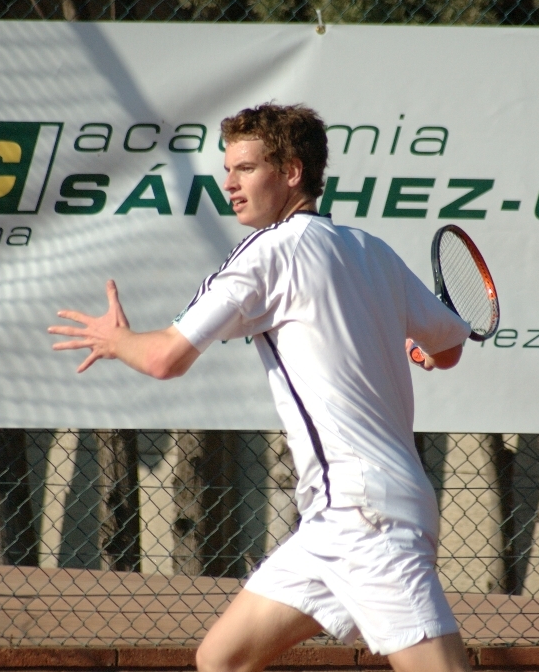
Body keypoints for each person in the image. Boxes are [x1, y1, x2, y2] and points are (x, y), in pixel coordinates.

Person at [49, 104, 473, 672]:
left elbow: (165, 359)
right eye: (229, 170)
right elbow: (448, 346)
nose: (230, 183)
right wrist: (415, 346)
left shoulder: (270, 252)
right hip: (332, 518)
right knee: (220, 660)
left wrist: (116, 338)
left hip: (366, 514)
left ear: (292, 172)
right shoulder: (371, 251)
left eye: (246, 169)